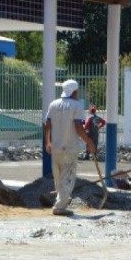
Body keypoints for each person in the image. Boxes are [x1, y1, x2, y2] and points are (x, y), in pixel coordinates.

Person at [44, 80, 96, 215]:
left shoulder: (53, 104)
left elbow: (48, 124)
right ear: (74, 91)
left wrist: (48, 142)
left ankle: (61, 200)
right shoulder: (76, 106)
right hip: (70, 148)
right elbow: (78, 128)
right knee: (67, 178)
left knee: (58, 177)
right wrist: (89, 142)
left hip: (55, 148)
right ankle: (60, 207)